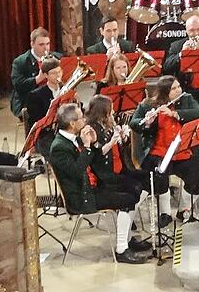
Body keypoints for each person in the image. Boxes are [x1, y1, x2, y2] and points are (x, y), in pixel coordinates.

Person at [48, 103, 149, 264]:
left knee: (135, 189)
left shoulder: (74, 138)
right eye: (81, 118)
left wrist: (94, 144)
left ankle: (127, 240)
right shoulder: (59, 147)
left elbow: (92, 160)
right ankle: (122, 249)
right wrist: (87, 147)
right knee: (128, 199)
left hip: (91, 186)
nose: (85, 120)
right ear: (72, 124)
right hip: (82, 197)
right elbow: (76, 171)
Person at [130, 76, 199, 226]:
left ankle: (184, 208)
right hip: (159, 151)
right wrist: (147, 122)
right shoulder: (148, 104)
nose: (179, 90)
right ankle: (165, 213)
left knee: (198, 178)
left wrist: (175, 114)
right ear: (165, 92)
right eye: (174, 89)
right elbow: (134, 122)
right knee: (159, 180)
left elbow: (198, 113)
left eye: (178, 87)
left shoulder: (187, 99)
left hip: (183, 150)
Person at [86, 94, 148, 196]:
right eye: (111, 110)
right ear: (102, 112)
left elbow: (122, 147)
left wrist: (123, 137)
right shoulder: (92, 129)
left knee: (147, 178)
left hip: (121, 168)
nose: (113, 112)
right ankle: (126, 210)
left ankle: (130, 210)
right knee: (135, 187)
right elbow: (96, 155)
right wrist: (111, 142)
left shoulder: (109, 124)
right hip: (106, 175)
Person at [163, 15, 199, 108]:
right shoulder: (176, 46)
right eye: (192, 30)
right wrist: (181, 54)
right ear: (186, 31)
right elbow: (166, 68)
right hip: (187, 92)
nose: (196, 34)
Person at [10, 27, 62, 119]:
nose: (46, 48)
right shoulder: (20, 62)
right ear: (32, 44)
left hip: (54, 95)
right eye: (41, 44)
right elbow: (18, 86)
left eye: (48, 44)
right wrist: (38, 79)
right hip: (29, 101)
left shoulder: (57, 57)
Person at [26, 57, 64, 131]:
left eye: (59, 72)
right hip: (47, 132)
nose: (58, 75)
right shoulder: (35, 95)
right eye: (53, 73)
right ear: (46, 75)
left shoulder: (67, 89)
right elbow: (36, 121)